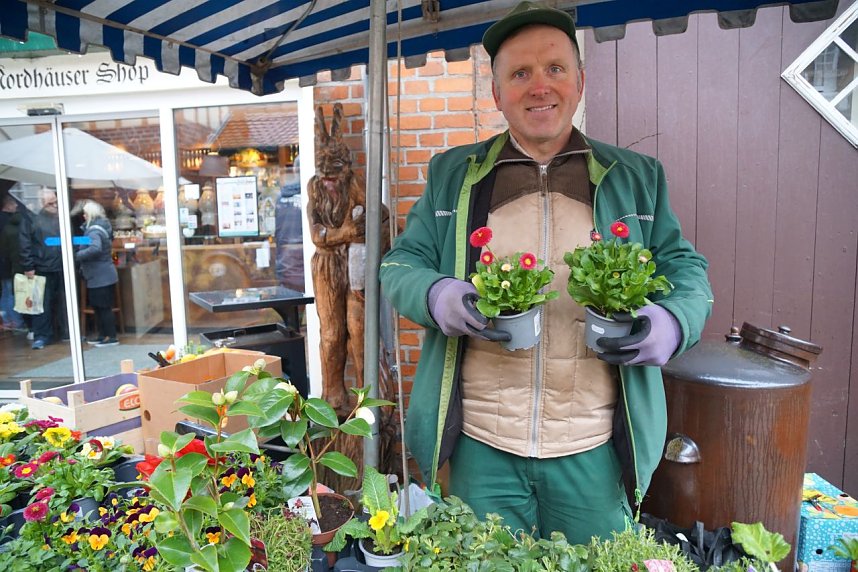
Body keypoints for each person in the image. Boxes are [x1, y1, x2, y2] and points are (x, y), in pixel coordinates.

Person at [379, 1, 713, 544]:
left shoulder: (636, 177)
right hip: (482, 447)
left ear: (579, 82)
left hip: (595, 447)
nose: (540, 87)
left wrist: (673, 321)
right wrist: (436, 293)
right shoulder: (453, 175)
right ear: (496, 94)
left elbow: (685, 267)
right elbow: (400, 264)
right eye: (520, 74)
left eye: (555, 69)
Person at [20, 188, 68, 350]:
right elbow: (25, 243)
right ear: (41, 202)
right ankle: (42, 335)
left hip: (61, 265)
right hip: (41, 266)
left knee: (63, 302)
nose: (54, 205)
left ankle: (66, 332)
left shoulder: (59, 217)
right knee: (42, 304)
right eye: (50, 203)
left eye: (55, 202)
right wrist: (28, 266)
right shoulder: (32, 218)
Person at [75, 200, 119, 347]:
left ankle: (111, 337)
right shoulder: (101, 228)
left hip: (100, 275)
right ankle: (103, 335)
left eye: (86, 213)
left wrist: (78, 255)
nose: (83, 216)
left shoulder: (93, 231)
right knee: (100, 307)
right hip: (102, 274)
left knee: (102, 308)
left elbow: (95, 248)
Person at [0, 193, 26, 333]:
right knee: (12, 292)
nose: (16, 206)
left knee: (5, 292)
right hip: (8, 264)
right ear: (8, 205)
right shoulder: (9, 223)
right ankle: (16, 321)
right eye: (14, 204)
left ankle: (6, 320)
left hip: (2, 263)